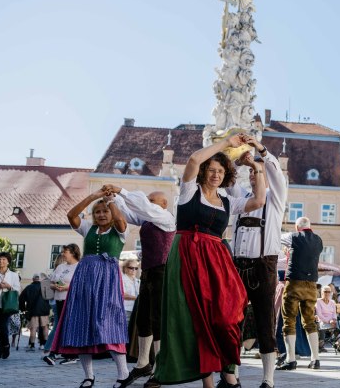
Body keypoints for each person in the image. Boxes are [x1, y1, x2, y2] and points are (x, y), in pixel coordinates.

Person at [150, 135, 264, 388]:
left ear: (226, 175)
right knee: (193, 316)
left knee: (227, 313)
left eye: (221, 171)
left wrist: (256, 167)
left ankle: (227, 371)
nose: (216, 175)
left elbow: (258, 200)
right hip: (188, 254)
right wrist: (227, 143)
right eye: (211, 170)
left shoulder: (228, 201)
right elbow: (193, 159)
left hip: (216, 259)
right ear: (203, 172)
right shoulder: (189, 190)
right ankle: (208, 381)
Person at [51, 189, 131, 388]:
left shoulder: (120, 231)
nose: (102, 214)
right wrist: (94, 197)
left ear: (112, 212)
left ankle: (123, 373)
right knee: (82, 322)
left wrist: (109, 200)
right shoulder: (88, 228)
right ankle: (88, 376)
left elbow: (120, 221)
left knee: (109, 322)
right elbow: (71, 215)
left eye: (105, 211)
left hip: (107, 281)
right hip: (84, 280)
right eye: (98, 212)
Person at [227, 135, 287, 388]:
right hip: (237, 266)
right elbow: (229, 181)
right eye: (252, 174)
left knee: (265, 321)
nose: (255, 175)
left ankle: (268, 378)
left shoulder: (275, 198)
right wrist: (242, 162)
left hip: (264, 266)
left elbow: (275, 172)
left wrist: (260, 152)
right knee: (232, 321)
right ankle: (233, 375)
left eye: (258, 172)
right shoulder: (241, 197)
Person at [106, 186, 176, 386]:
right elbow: (129, 213)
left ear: (163, 205)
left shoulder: (165, 218)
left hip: (163, 272)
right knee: (143, 318)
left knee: (157, 319)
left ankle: (159, 367)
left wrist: (121, 190)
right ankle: (143, 363)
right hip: (148, 272)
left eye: (151, 200)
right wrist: (113, 198)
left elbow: (142, 207)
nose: (147, 202)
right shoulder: (148, 218)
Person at [277, 216, 323, 371]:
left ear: (297, 227)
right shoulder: (318, 240)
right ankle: (315, 359)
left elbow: (276, 237)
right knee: (310, 321)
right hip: (311, 285)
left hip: (295, 282)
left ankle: (291, 360)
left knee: (289, 320)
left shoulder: (292, 236)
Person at [43, 247, 79, 366]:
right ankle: (62, 354)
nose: (63, 254)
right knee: (60, 326)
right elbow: (52, 282)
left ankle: (61, 354)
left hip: (71, 300)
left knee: (65, 327)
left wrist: (67, 287)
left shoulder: (79, 266)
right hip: (58, 299)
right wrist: (57, 286)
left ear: (73, 253)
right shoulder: (61, 267)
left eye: (66, 252)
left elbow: (79, 284)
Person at [19, 273, 51, 351]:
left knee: (33, 328)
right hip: (44, 310)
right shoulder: (45, 287)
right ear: (40, 279)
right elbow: (50, 298)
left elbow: (21, 299)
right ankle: (44, 344)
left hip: (33, 311)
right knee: (45, 327)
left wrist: (23, 309)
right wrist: (48, 308)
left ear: (33, 279)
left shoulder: (28, 287)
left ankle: (32, 345)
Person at [315, 286, 337, 350]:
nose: (327, 293)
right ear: (321, 292)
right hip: (322, 321)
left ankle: (338, 344)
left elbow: (334, 313)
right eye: (325, 291)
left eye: (328, 292)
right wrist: (329, 321)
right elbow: (319, 314)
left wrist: (333, 320)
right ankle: (321, 345)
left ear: (330, 293)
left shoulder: (332, 302)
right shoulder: (318, 301)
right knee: (322, 326)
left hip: (332, 321)